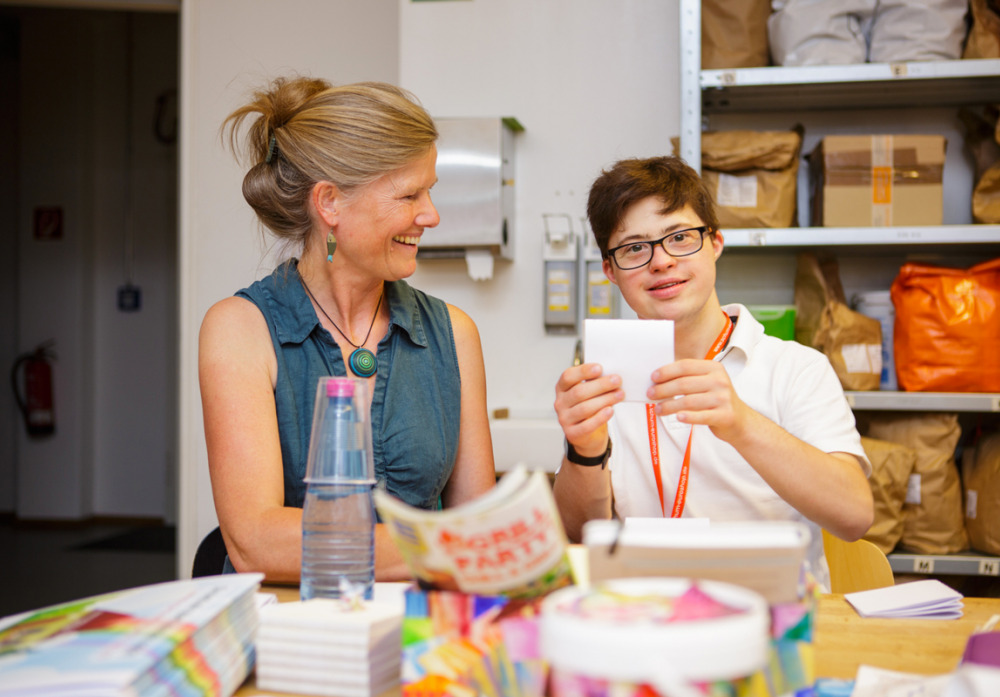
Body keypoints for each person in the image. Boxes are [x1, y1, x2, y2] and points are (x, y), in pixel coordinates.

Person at [199, 76, 497, 584]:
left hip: (419, 631)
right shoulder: (239, 330)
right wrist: (449, 542)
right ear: (330, 203)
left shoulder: (454, 333)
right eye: (409, 195)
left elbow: (485, 528)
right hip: (293, 633)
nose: (431, 214)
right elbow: (256, 541)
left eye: (430, 191)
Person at [552, 155, 873, 589]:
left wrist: (740, 422)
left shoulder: (796, 368)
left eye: (680, 237)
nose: (661, 261)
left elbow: (854, 516)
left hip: (769, 619)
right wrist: (584, 450)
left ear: (716, 242)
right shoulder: (603, 380)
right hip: (645, 612)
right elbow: (574, 537)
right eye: (634, 248)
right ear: (609, 270)